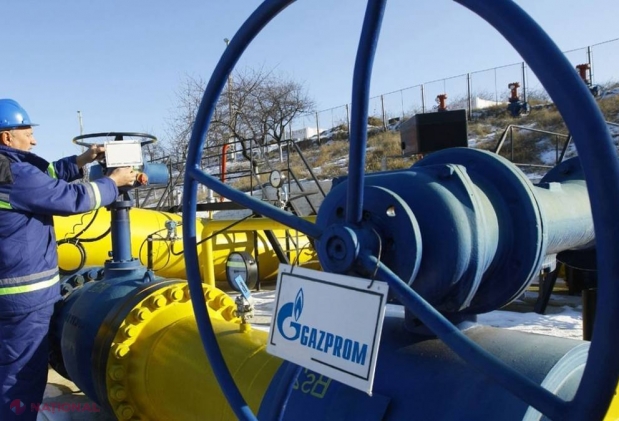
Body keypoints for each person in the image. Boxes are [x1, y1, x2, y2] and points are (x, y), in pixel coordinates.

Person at [0, 99, 136, 420]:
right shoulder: (13, 174)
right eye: (28, 134)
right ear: (6, 137)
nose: (34, 141)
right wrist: (113, 182)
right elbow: (70, 198)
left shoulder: (11, 169)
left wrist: (83, 159)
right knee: (22, 376)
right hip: (23, 298)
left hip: (10, 294)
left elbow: (44, 175)